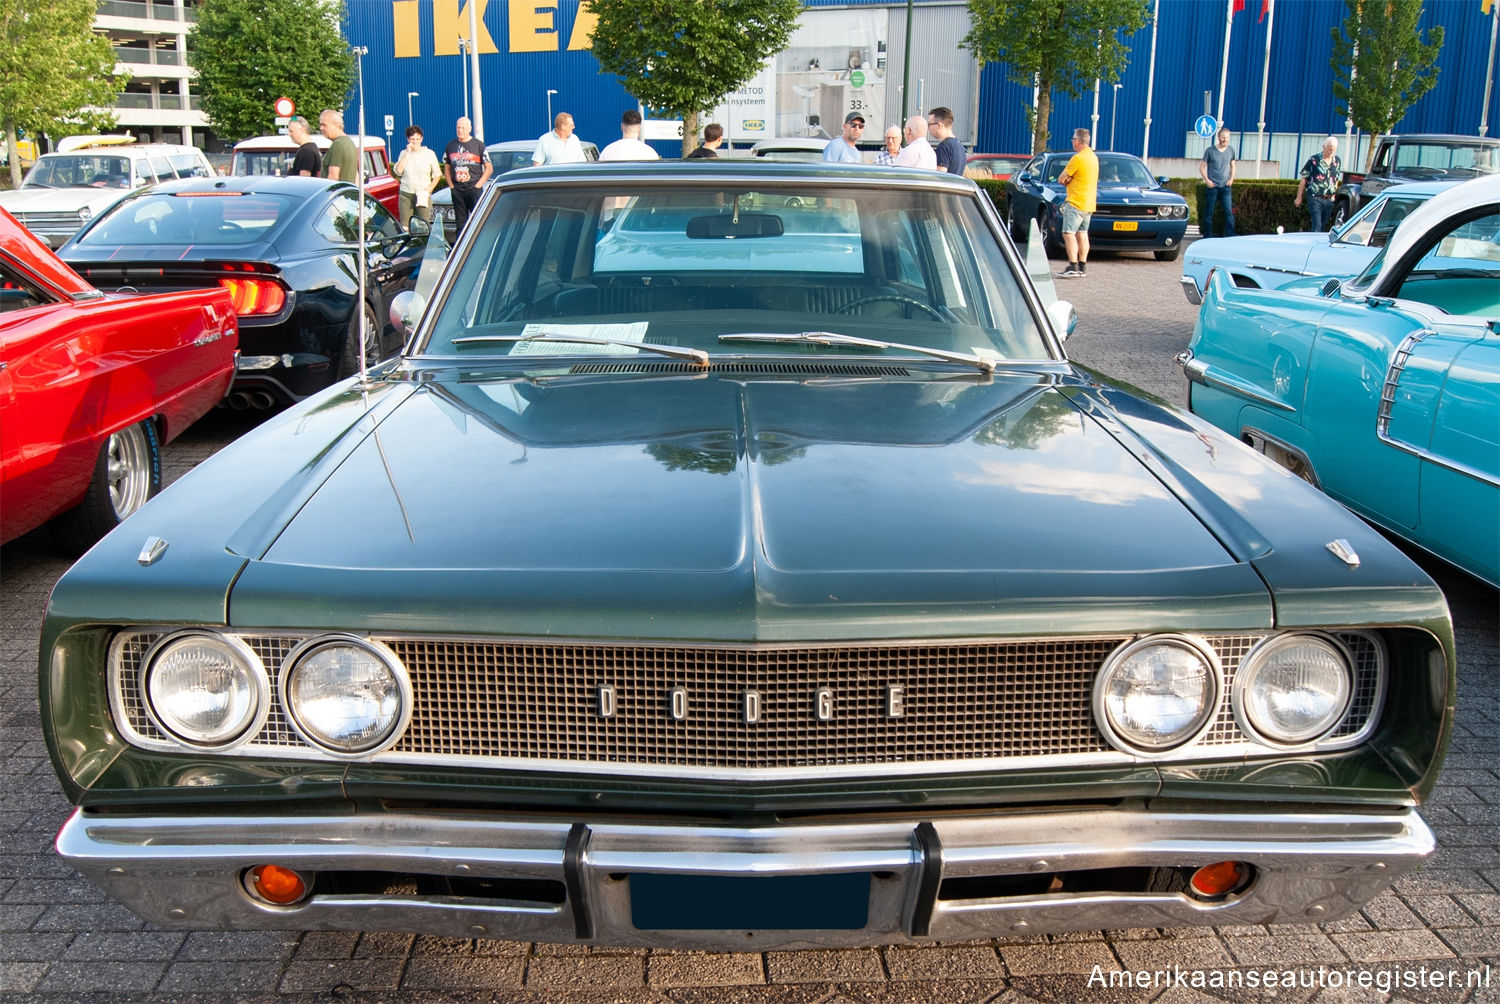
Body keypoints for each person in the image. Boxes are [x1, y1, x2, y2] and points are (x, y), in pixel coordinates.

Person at [1056, 127, 1099, 278]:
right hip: (1089, 204)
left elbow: (1061, 178)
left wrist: (1068, 181)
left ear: (1078, 142)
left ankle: (1073, 266)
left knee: (1068, 233)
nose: (1072, 142)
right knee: (1083, 234)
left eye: (1073, 140)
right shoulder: (1093, 157)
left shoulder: (1078, 158)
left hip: (1075, 202)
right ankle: (1082, 266)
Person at [444, 116, 491, 234]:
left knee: (477, 221)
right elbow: (447, 168)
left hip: (473, 189)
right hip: (458, 190)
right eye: (458, 127)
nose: (460, 130)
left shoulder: (478, 145)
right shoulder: (451, 146)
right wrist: (451, 186)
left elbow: (489, 168)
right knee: (460, 224)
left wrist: (478, 185)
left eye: (463, 128)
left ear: (469, 129)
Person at [392, 125, 442, 226]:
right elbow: (398, 171)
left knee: (423, 224)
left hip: (422, 194)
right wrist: (407, 153)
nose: (415, 142)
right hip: (406, 193)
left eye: (417, 139)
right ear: (408, 139)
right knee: (405, 225)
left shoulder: (429, 154)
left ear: (421, 139)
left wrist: (429, 190)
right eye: (412, 139)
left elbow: (437, 175)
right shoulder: (403, 153)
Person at [1296, 137, 1342, 232]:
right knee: (1317, 223)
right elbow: (1304, 178)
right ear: (1324, 147)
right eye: (1329, 149)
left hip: (1329, 199)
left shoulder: (1337, 161)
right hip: (1315, 197)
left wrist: (1334, 194)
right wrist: (1299, 197)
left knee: (1323, 225)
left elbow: (1336, 179)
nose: (1331, 151)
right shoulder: (1314, 160)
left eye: (1333, 149)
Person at [1200, 125, 1237, 238]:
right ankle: (1207, 235)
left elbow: (1233, 165)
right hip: (1213, 186)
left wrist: (1231, 179)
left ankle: (1230, 235)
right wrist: (1207, 181)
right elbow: (1201, 167)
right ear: (1218, 137)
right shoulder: (1210, 151)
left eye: (1227, 137)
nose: (1224, 139)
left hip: (1225, 186)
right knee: (1209, 213)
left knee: (1228, 212)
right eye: (1222, 137)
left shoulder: (1231, 150)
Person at [319, 109, 357, 182]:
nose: (321, 128)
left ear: (336, 124)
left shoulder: (337, 145)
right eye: (320, 125)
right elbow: (356, 176)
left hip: (338, 192)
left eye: (324, 125)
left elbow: (333, 177)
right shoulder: (349, 143)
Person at [928, 106, 964, 175]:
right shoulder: (960, 146)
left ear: (939, 125)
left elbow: (940, 176)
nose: (929, 128)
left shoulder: (944, 146)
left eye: (930, 124)